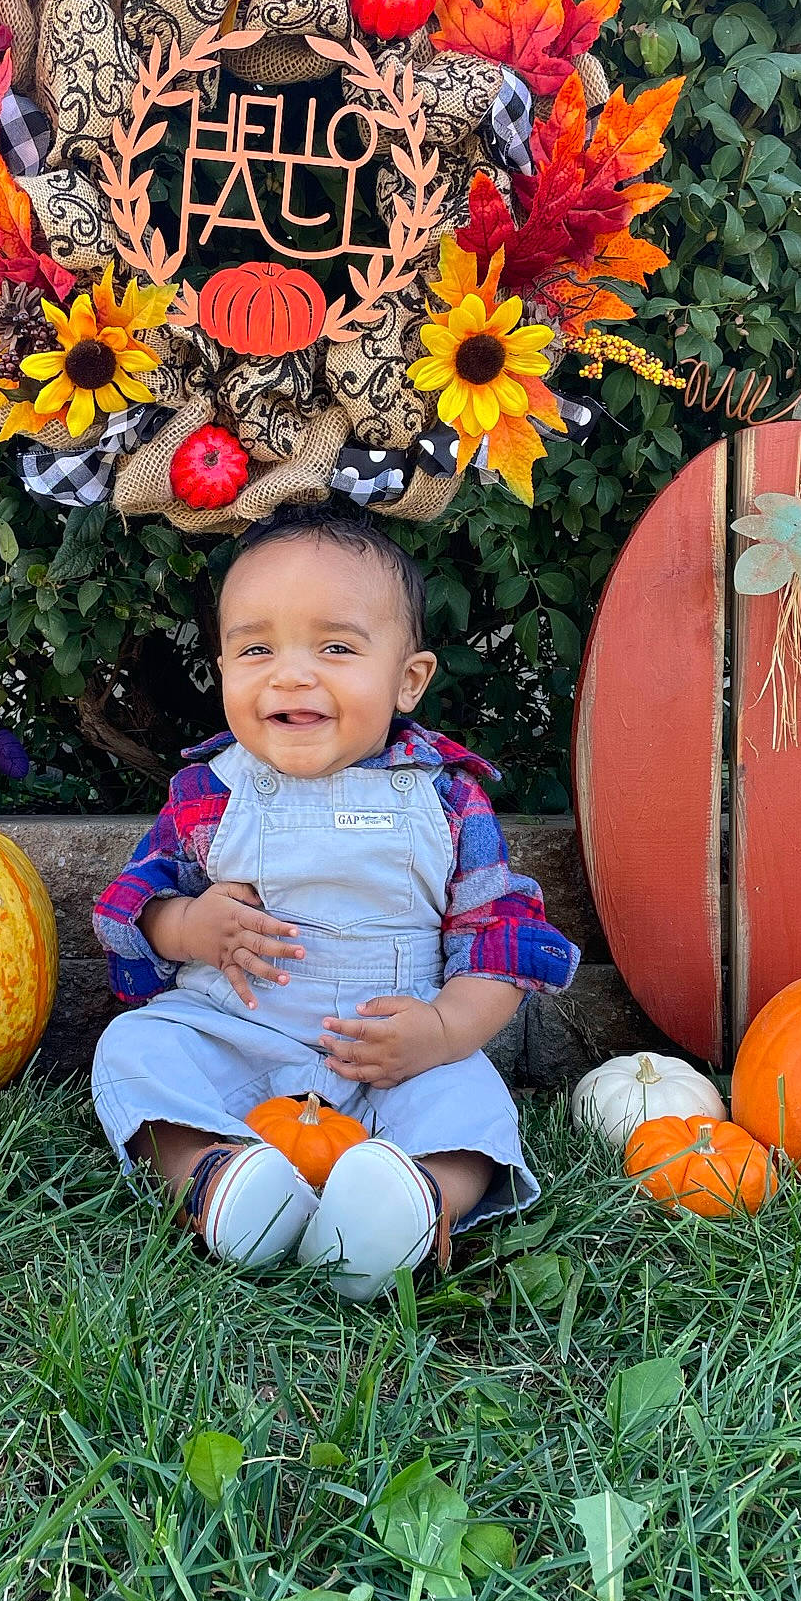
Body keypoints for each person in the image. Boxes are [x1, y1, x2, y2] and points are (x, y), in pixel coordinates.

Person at [91, 504, 580, 1300]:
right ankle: (214, 1179)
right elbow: (133, 905)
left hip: (395, 1053)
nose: (291, 674)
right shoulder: (206, 794)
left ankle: (412, 1203)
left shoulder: (447, 801)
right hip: (234, 1037)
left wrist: (445, 1030)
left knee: (472, 1102)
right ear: (223, 670)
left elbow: (499, 939)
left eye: (336, 648)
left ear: (408, 678)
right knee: (134, 1050)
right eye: (257, 649)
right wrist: (188, 925)